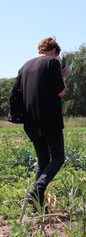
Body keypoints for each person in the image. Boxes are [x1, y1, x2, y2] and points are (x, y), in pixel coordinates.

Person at [13, 37, 67, 212]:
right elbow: (61, 92)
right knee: (58, 157)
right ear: (53, 52)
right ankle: (37, 189)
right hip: (49, 118)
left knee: (43, 160)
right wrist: (63, 77)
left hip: (30, 120)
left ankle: (37, 207)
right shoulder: (52, 63)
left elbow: (16, 94)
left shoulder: (25, 66)